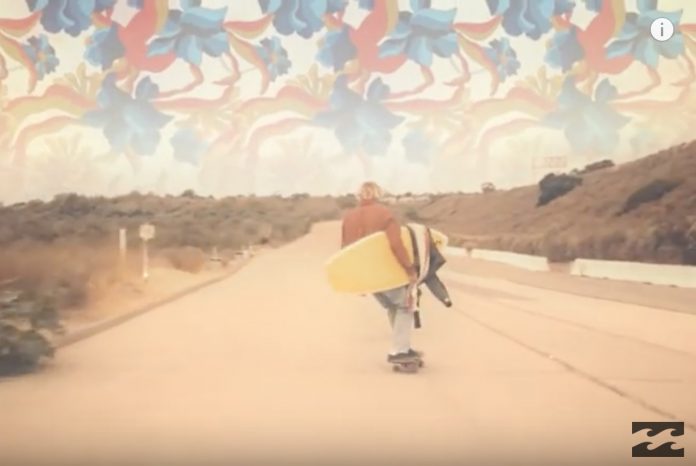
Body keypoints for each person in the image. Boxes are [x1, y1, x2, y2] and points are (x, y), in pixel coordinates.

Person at [341, 181, 422, 364]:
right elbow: (396, 244)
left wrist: (356, 281)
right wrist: (409, 268)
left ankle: (402, 346)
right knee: (405, 306)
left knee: (393, 306)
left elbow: (346, 251)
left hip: (366, 275)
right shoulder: (384, 214)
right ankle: (399, 351)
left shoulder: (349, 218)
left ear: (359, 196)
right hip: (385, 272)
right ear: (378, 195)